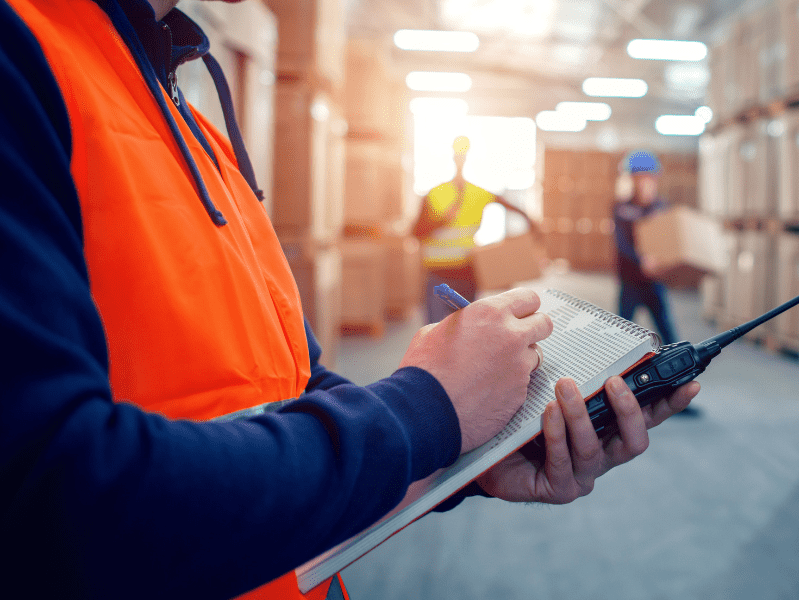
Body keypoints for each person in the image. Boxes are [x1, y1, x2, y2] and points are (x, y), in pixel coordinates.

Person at [0, 2, 699, 600]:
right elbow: (52, 504)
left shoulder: (194, 129)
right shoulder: (23, 58)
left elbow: (286, 392)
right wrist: (427, 409)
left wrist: (466, 453)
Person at [411, 135, 539, 324]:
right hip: (440, 276)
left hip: (465, 274)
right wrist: (443, 220)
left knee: (464, 330)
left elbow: (515, 209)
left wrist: (534, 230)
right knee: (439, 332)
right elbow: (416, 232)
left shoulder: (477, 193)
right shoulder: (435, 194)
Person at [612, 150, 679, 345]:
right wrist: (641, 260)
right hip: (629, 279)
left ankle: (678, 367)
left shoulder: (661, 206)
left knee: (665, 327)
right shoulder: (621, 208)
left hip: (653, 280)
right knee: (621, 329)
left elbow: (667, 241)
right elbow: (622, 243)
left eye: (649, 177)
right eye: (640, 177)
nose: (645, 182)